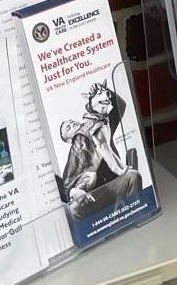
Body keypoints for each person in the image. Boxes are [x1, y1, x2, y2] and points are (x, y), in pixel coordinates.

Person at [60, 82, 142, 218]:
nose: (72, 123)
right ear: (69, 140)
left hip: (116, 186)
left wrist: (104, 90)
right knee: (73, 209)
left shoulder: (98, 126)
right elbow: (68, 185)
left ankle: (134, 215)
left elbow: (120, 106)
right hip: (93, 199)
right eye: (68, 128)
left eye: (71, 121)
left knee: (133, 176)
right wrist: (74, 192)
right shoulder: (74, 157)